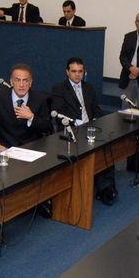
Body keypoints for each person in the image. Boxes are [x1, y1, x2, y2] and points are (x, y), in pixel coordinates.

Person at [52, 57, 118, 205]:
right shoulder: (59, 89)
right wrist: (77, 122)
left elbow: (96, 109)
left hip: (91, 128)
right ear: (67, 72)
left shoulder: (89, 88)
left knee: (106, 146)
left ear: (84, 72)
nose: (77, 74)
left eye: (80, 71)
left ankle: (107, 186)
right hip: (72, 130)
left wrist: (95, 121)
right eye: (74, 71)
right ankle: (104, 188)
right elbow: (59, 113)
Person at [0, 64, 52, 156]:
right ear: (11, 82)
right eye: (17, 80)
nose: (21, 85)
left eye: (25, 80)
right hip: (4, 148)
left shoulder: (40, 99)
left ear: (30, 83)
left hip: (31, 149)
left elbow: (47, 127)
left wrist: (31, 117)